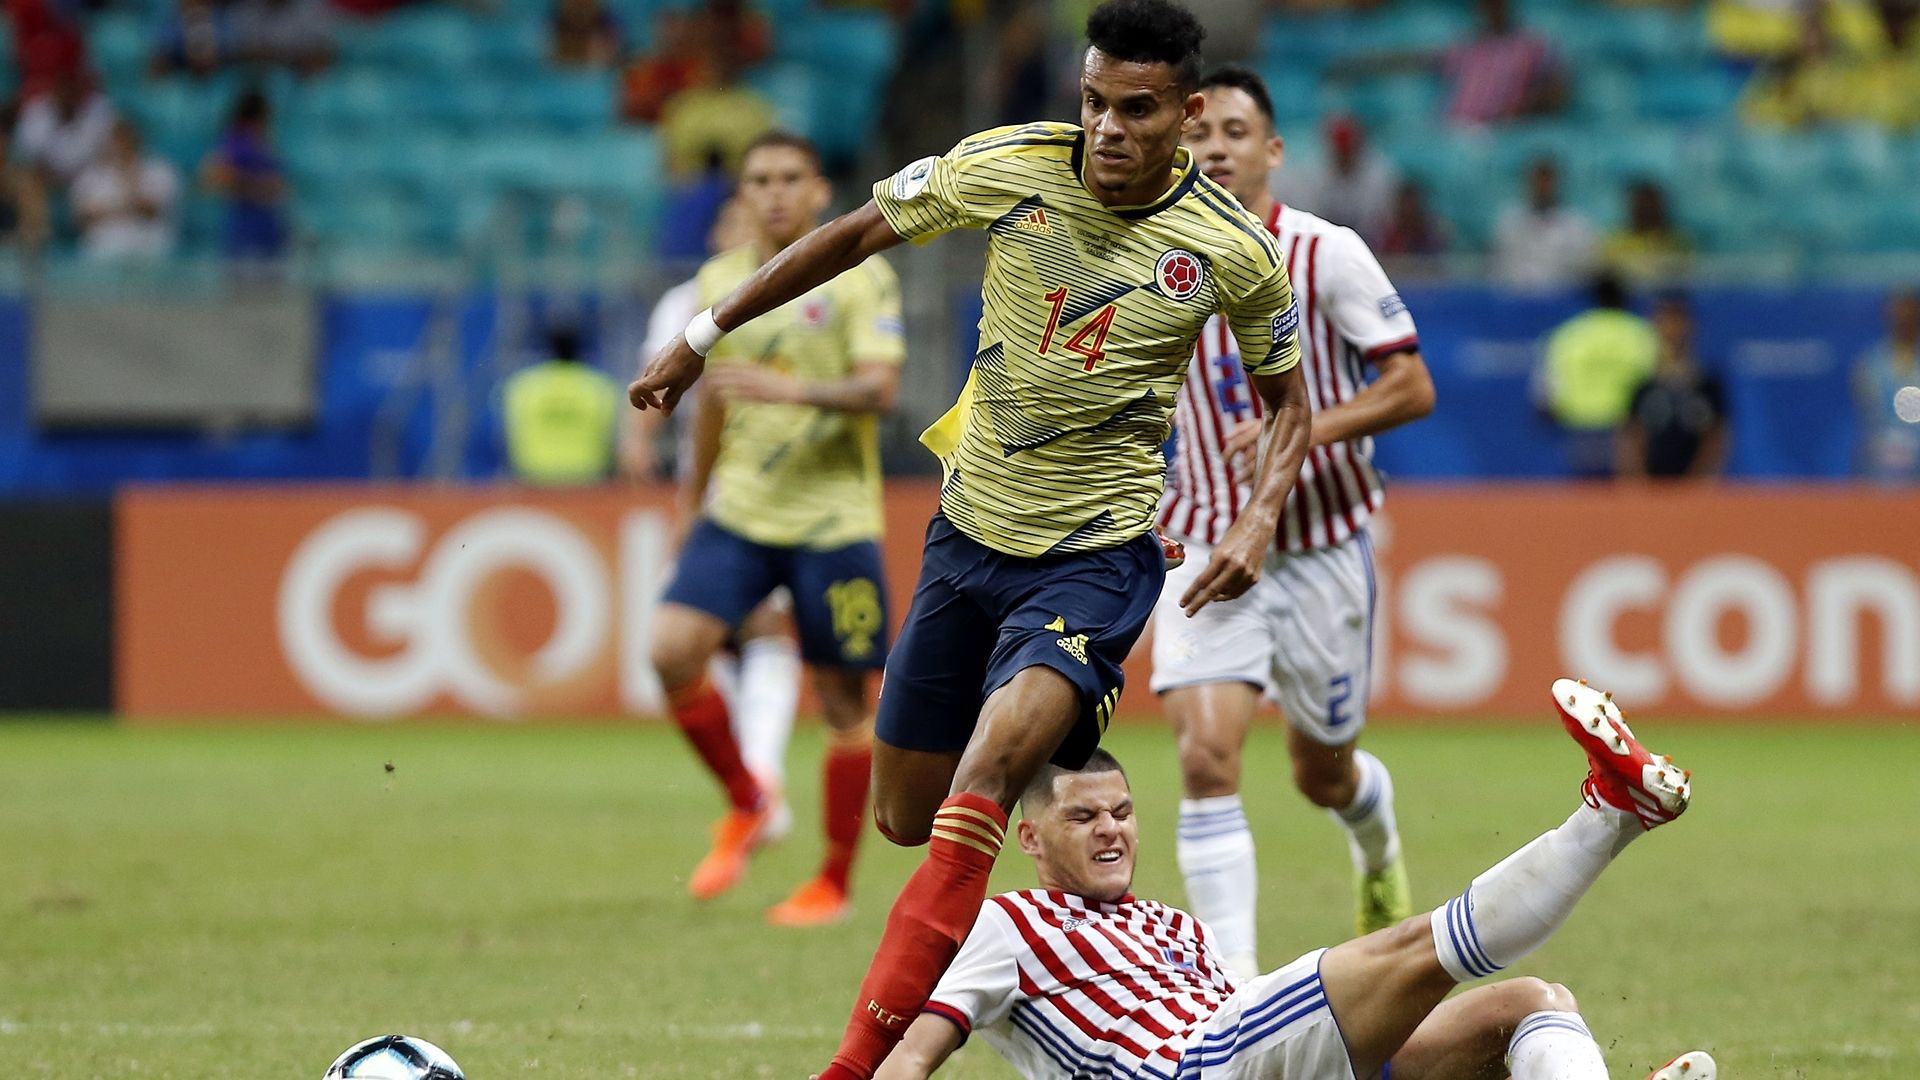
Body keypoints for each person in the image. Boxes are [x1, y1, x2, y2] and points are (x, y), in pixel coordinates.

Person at [629, 2, 1313, 1075]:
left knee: (986, 774)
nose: (1108, 129)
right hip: (967, 540)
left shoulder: (1230, 251)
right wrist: (700, 336)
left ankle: (857, 1067)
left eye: (1137, 110)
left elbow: (1289, 404)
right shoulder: (1008, 167)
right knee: (911, 817)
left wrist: (1257, 520)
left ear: (1186, 116)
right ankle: (1055, 944)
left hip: (1096, 559)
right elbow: (854, 233)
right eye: (1094, 103)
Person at [870, 680, 1711, 1080]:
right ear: (1030, 837)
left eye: (1121, 813)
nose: (1112, 831)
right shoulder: (1005, 926)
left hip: (1248, 1050)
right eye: (1083, 818)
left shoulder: (1172, 926)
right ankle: (1611, 812)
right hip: (1192, 1071)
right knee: (1420, 948)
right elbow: (918, 1047)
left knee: (1530, 1005)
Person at [1152, 65, 1434, 981]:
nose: (1214, 149)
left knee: (1323, 775)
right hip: (1201, 539)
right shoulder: (1147, 254)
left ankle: (1377, 843)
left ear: (1271, 151)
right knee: (1205, 756)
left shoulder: (1326, 252)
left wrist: (1303, 426)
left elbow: (1411, 385)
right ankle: (1231, 992)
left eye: (1234, 132)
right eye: (1196, 135)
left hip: (1318, 548)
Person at [648, 131, 905, 928]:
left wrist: (789, 393)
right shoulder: (720, 281)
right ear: (744, 194)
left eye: (790, 178)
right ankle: (750, 798)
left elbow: (879, 391)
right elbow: (714, 398)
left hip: (833, 521)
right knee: (670, 651)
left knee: (841, 704)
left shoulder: (864, 277)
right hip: (743, 512)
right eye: (759, 179)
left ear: (820, 191)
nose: (774, 193)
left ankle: (831, 882)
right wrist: (691, 501)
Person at [620, 195, 808, 876]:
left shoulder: (808, 292)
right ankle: (760, 783)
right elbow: (657, 387)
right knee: (727, 637)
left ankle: (759, 784)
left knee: (751, 627)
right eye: (732, 223)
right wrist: (640, 438)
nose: (745, 232)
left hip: (786, 483)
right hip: (714, 482)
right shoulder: (685, 303)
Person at [1539, 274, 1658, 479]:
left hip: (1579, 432)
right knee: (1626, 501)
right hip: (1627, 433)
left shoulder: (1569, 335)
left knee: (1584, 501)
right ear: (1625, 298)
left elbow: (1547, 395)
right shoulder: (1641, 333)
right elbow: (1657, 384)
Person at [1617, 293, 1729, 480]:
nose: (1672, 329)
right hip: (1652, 491)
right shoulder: (1643, 386)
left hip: (1693, 492)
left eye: (1678, 320)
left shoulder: (1707, 384)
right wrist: (1638, 483)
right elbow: (1631, 437)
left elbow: (1716, 437)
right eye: (1665, 321)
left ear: (1691, 326)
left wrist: (1701, 482)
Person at [501, 324, 621, 485]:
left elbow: (512, 430)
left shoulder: (524, 385)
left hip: (535, 474)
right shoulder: (598, 386)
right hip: (586, 474)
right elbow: (610, 432)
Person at [1271, 114, 1396, 245]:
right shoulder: (1314, 174)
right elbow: (1309, 220)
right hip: (1324, 240)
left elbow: (1380, 221)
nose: (1344, 155)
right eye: (1340, 150)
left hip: (1369, 241)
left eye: (1348, 150)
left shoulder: (1377, 175)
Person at [70, 120, 180, 263]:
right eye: (118, 140)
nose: (123, 146)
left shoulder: (161, 170)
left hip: (149, 251)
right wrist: (126, 208)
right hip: (103, 251)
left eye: (128, 140)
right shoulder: (91, 175)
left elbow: (149, 211)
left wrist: (128, 174)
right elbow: (81, 219)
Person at [200, 89, 287, 267]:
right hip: (245, 222)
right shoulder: (237, 140)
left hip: (268, 223)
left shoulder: (264, 141)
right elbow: (212, 178)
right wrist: (258, 185)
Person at [1494, 157, 1598, 289]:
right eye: (1538, 181)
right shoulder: (1509, 221)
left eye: (1547, 181)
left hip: (1560, 297)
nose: (1542, 186)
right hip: (1518, 297)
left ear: (1557, 183)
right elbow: (1501, 264)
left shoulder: (1576, 225)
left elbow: (1584, 269)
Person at [1853, 286, 1920, 481]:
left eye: (1909, 313)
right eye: (1897, 313)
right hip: (1882, 450)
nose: (1903, 319)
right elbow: (1869, 413)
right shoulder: (1871, 363)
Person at [12, 69, 115, 193]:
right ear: (54, 91)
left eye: (72, 92)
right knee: (25, 178)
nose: (67, 96)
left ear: (79, 93)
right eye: (63, 91)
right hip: (43, 181)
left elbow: (95, 158)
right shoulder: (36, 112)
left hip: (84, 183)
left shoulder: (97, 114)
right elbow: (25, 153)